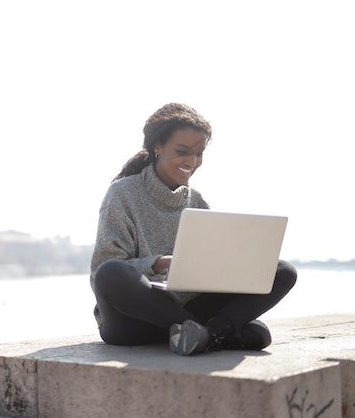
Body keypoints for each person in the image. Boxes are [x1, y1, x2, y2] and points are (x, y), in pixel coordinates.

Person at [90, 103, 297, 356]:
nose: (192, 161)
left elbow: (213, 265)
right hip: (133, 321)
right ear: (157, 147)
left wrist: (232, 266)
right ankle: (212, 333)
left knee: (282, 270)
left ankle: (202, 333)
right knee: (111, 272)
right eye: (182, 151)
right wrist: (160, 263)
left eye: (199, 153)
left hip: (189, 307)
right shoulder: (122, 194)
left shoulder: (197, 201)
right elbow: (104, 266)